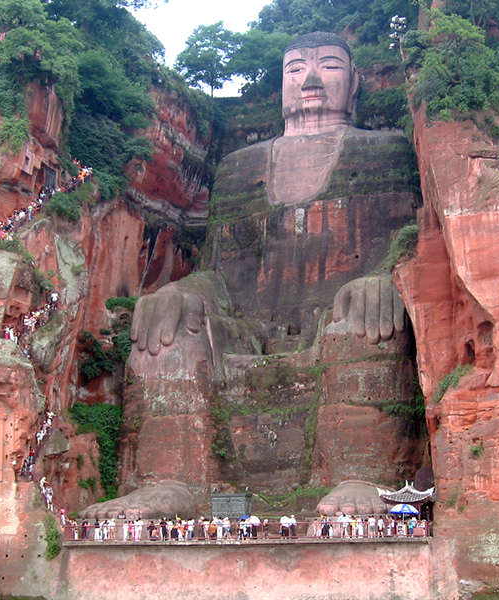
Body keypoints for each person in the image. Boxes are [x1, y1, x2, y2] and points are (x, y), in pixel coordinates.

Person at [120, 31, 419, 502]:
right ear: (281, 83)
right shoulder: (240, 168)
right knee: (168, 325)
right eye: (296, 69)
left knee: (364, 320)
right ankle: (171, 485)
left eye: (330, 66)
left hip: (337, 321)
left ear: (355, 81)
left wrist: (385, 278)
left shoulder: (385, 150)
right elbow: (217, 270)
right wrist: (180, 291)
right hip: (247, 330)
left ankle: (360, 479)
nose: (312, 79)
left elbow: (410, 247)